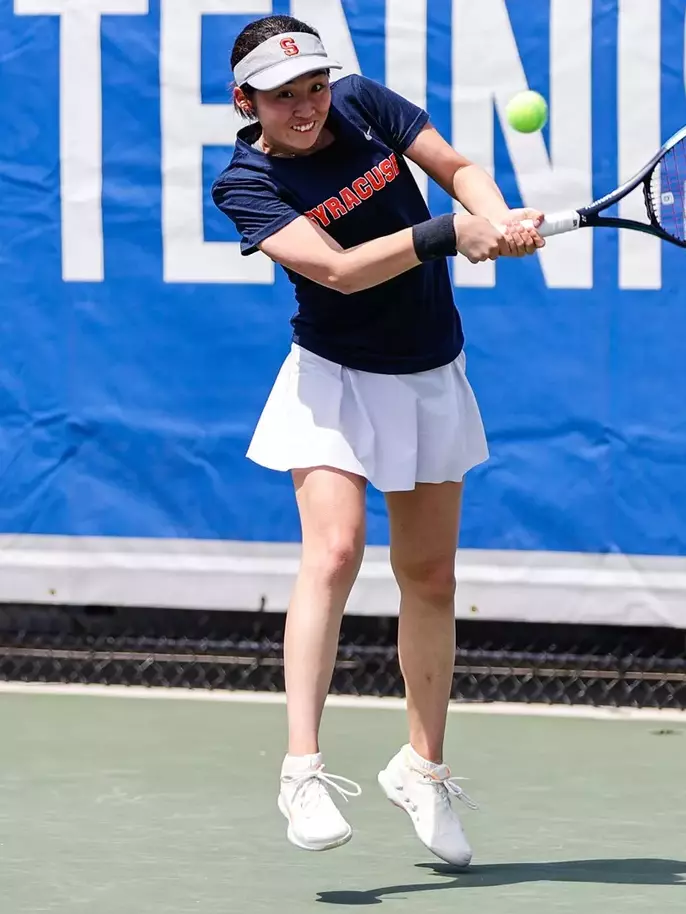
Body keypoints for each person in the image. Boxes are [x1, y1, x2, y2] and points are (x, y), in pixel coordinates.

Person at [212, 14, 544, 866]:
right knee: (334, 552)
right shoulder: (245, 182)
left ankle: (422, 770)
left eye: (315, 86)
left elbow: (459, 170)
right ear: (244, 99)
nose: (308, 107)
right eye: (284, 96)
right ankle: (302, 769)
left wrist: (494, 219)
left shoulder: (365, 104)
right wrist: (447, 234)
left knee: (430, 577)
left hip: (431, 370)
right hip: (334, 380)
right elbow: (340, 270)